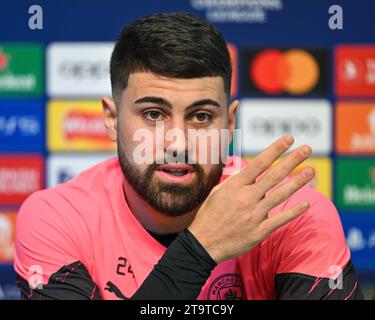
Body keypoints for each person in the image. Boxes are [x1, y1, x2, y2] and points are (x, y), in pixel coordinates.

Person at [14, 12, 363, 300]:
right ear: (112, 120)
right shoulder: (56, 218)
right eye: (153, 114)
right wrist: (201, 248)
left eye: (201, 116)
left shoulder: (293, 214)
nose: (178, 142)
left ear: (229, 124)